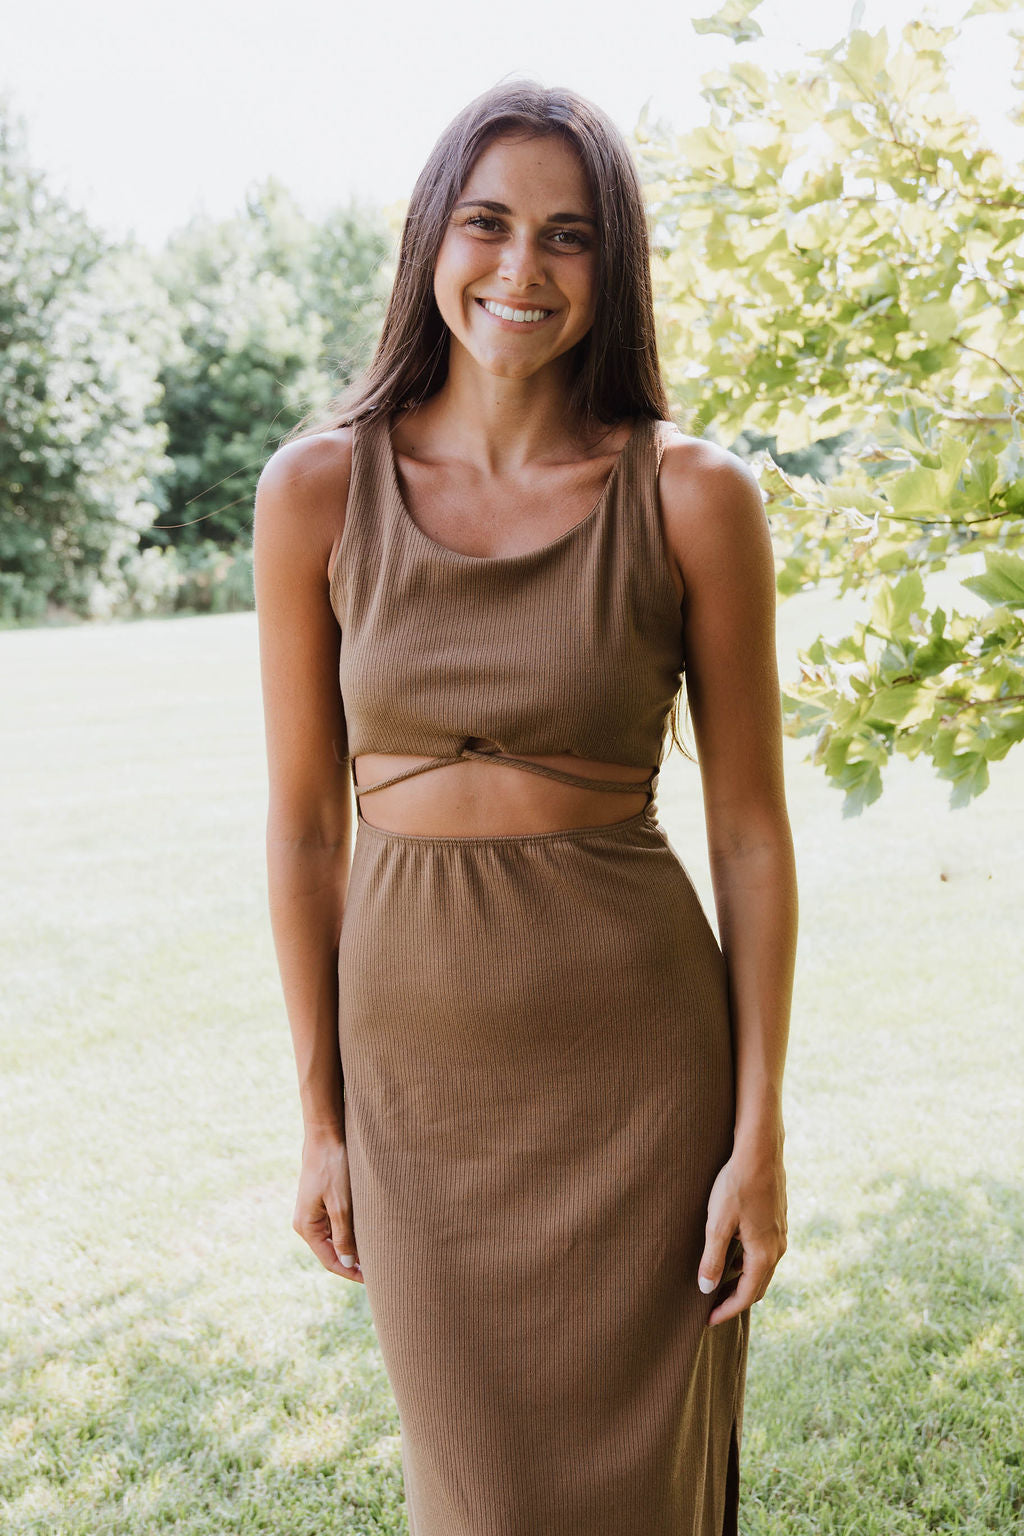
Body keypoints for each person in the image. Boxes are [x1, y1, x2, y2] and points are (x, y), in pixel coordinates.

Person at [253, 78, 797, 1536]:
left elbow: (749, 834)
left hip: (642, 1082)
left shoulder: (694, 497)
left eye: (569, 237)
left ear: (611, 269)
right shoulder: (316, 490)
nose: (520, 269)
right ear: (432, 235)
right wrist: (321, 1118)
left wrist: (760, 1135)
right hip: (420, 1097)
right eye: (488, 223)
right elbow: (308, 828)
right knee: (477, 1501)